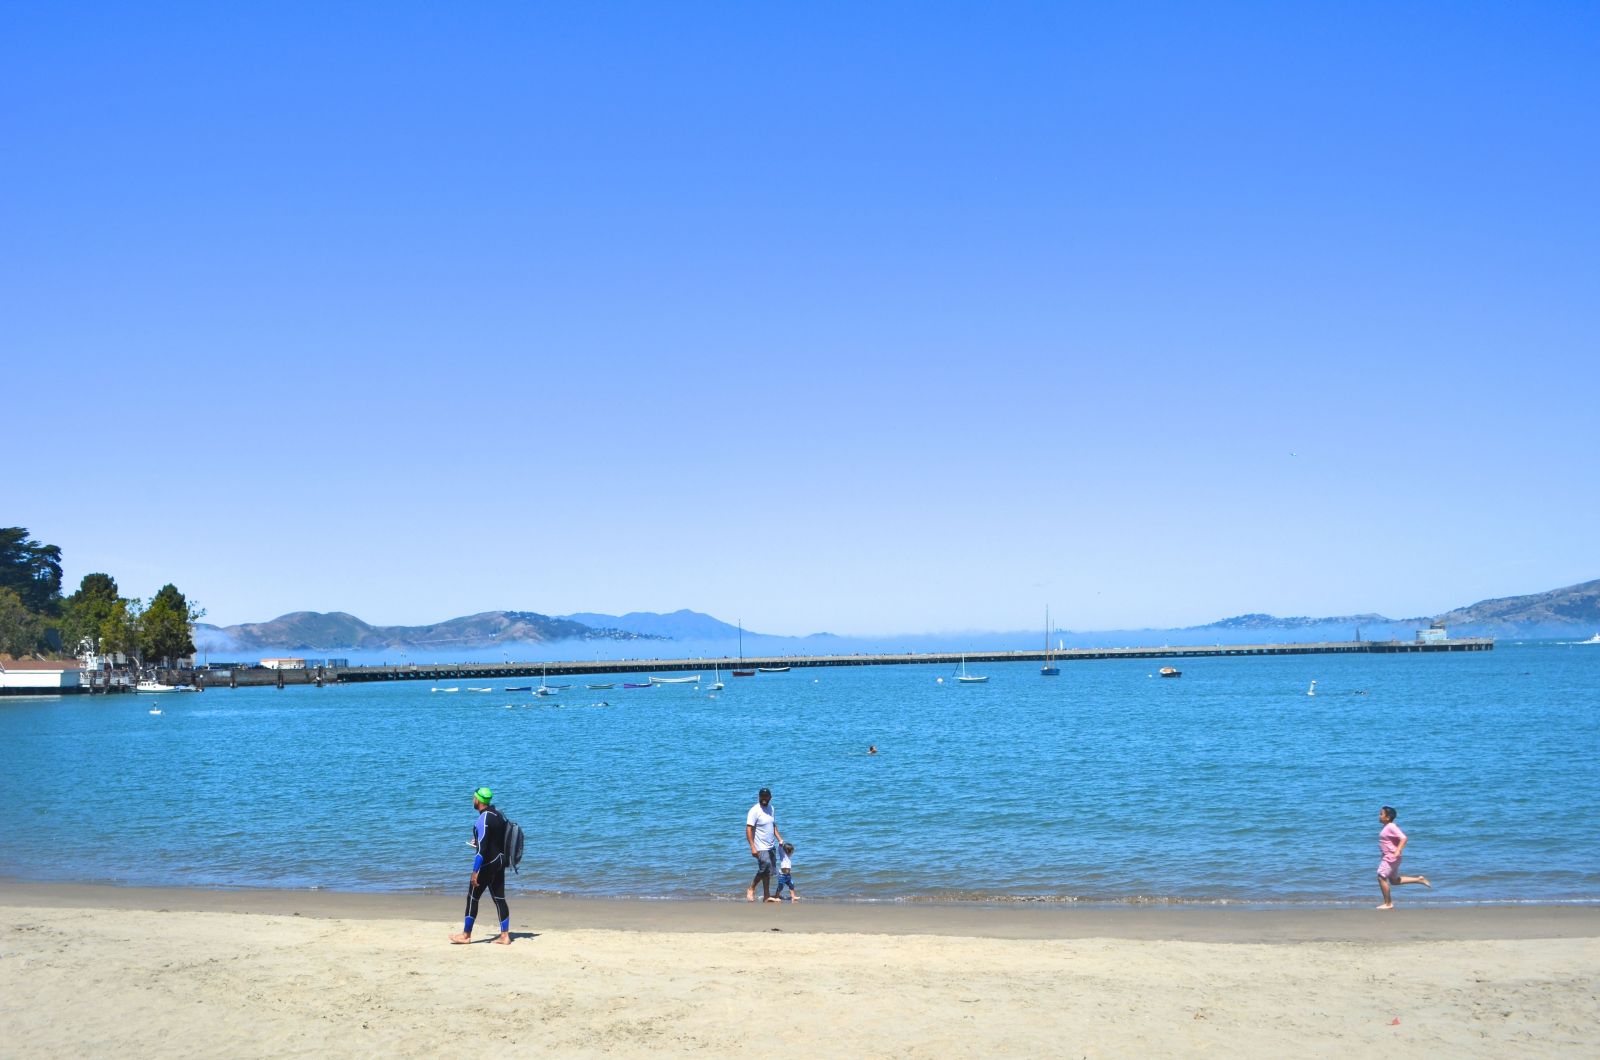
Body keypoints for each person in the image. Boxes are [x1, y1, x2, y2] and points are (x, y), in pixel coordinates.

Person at [450, 787, 512, 944]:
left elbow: (482, 851)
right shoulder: (499, 815)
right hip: (500, 862)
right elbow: (497, 840)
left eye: (474, 798)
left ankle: (466, 935)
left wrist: (475, 871)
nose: (472, 800)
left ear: (478, 800)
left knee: (472, 897)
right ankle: (505, 936)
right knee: (499, 898)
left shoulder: (483, 819)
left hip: (488, 863)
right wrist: (478, 842)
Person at [1375, 805, 1431, 909]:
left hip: (1391, 857)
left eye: (1381, 814)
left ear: (1387, 817)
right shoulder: (1387, 827)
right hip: (1391, 857)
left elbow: (1404, 838)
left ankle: (1388, 904)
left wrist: (1397, 850)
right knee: (1394, 881)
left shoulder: (1391, 826)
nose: (1379, 816)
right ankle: (1419, 880)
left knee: (1381, 876)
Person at [745, 787, 785, 902]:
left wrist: (780, 839)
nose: (764, 799)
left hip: (771, 846)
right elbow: (748, 829)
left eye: (766, 797)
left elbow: (773, 825)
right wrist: (752, 846)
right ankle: (751, 888)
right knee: (765, 867)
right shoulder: (754, 810)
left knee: (768, 872)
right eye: (762, 796)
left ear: (770, 798)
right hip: (760, 846)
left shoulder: (771, 809)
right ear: (759, 797)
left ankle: (766, 896)